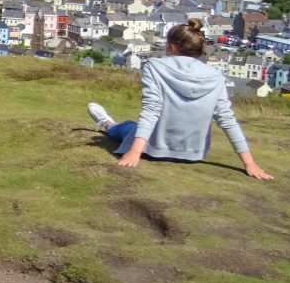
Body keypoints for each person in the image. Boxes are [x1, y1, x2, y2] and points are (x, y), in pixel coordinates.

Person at [88, 19, 273, 180]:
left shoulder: (155, 66)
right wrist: (250, 163)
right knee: (133, 127)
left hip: (152, 150)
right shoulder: (216, 75)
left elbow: (152, 110)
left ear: (173, 46)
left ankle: (108, 124)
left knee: (128, 127)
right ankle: (111, 125)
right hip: (193, 154)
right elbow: (227, 119)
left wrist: (135, 152)